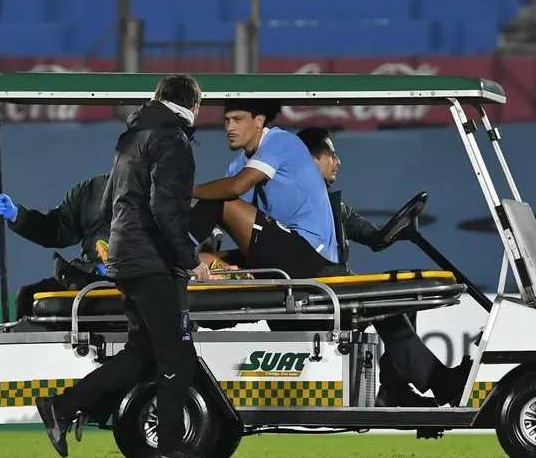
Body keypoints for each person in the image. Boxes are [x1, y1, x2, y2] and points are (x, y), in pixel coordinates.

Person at [35, 75, 212, 458]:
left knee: (142, 352)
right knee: (176, 355)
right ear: (193, 105)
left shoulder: (131, 138)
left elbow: (106, 206)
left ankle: (62, 407)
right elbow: (166, 210)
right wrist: (190, 259)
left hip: (126, 257)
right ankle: (168, 446)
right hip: (153, 260)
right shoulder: (173, 140)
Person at [296, 127, 472, 407]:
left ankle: (394, 388)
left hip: (335, 290)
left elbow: (375, 238)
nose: (338, 162)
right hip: (315, 296)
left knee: (403, 296)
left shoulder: (334, 206)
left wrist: (396, 230)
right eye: (331, 155)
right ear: (309, 160)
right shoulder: (294, 201)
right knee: (386, 305)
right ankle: (440, 383)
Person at [187, 100, 343, 280]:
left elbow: (235, 189)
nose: (230, 127)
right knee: (198, 262)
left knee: (221, 199)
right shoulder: (237, 166)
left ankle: (174, 250)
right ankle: (174, 257)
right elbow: (231, 216)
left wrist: (186, 191)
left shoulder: (281, 141)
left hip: (313, 256)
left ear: (259, 121)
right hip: (278, 250)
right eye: (227, 120)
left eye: (237, 120)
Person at [0, 174, 110, 320]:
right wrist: (15, 214)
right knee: (27, 296)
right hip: (90, 279)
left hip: (138, 281)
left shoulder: (144, 193)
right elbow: (57, 228)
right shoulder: (89, 191)